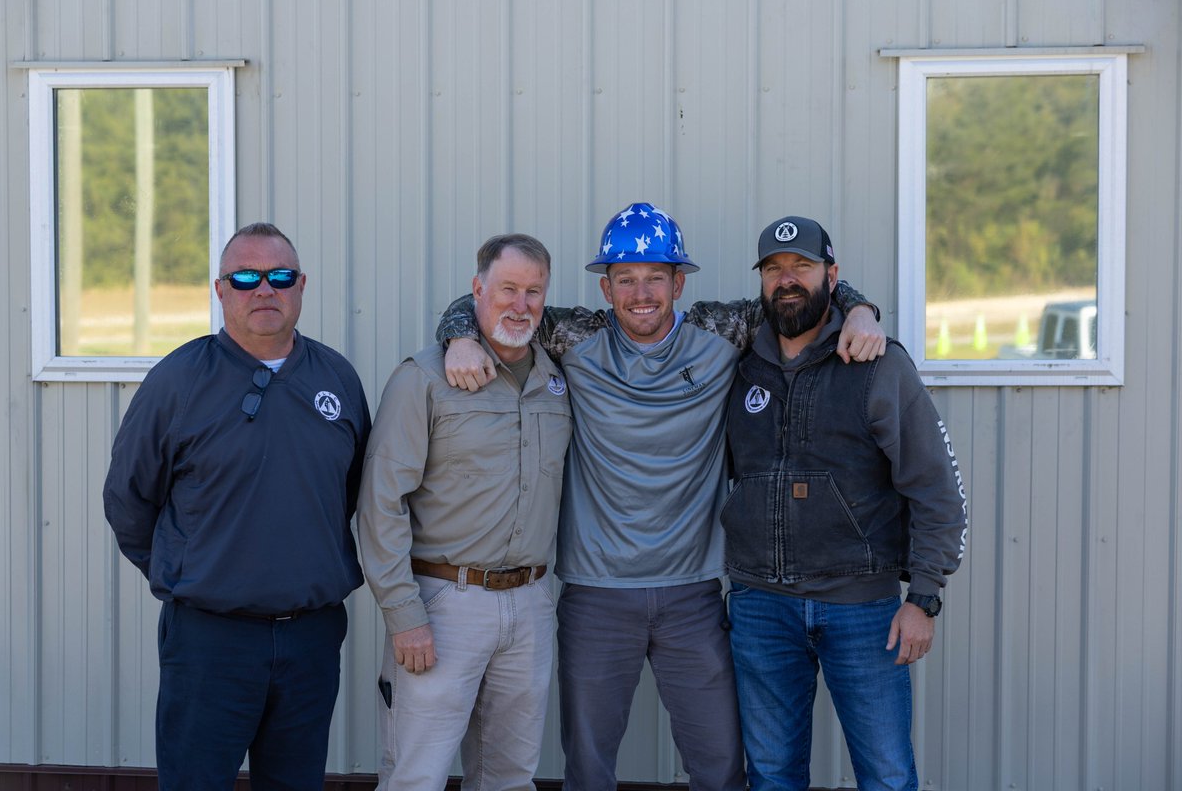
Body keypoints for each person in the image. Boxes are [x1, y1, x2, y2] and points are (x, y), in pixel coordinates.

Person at [435, 203, 886, 791]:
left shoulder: (721, 332)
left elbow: (797, 294)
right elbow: (486, 307)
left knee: (721, 765)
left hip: (693, 594)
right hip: (596, 595)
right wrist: (459, 339)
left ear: (679, 281)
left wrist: (860, 308)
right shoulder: (575, 337)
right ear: (607, 286)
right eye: (625, 278)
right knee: (589, 769)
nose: (641, 292)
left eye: (656, 277)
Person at [103, 222, 372, 789]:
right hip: (209, 640)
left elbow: (349, 491)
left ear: (301, 286)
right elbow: (128, 499)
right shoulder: (177, 381)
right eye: (245, 277)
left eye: (280, 276)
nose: (264, 290)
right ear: (221, 289)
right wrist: (185, 569)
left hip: (311, 639)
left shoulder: (337, 379)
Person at [721, 215, 970, 791]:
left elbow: (936, 487)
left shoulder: (878, 364)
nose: (787, 280)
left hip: (863, 611)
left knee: (884, 774)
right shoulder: (735, 360)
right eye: (774, 269)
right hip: (761, 606)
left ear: (832, 276)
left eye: (802, 267)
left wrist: (924, 599)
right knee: (772, 775)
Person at [356, 234, 573, 790]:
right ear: (476, 290)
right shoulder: (425, 378)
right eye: (507, 289)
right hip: (444, 605)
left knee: (510, 779)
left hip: (529, 606)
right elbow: (381, 502)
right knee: (415, 777)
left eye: (533, 292)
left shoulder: (558, 380)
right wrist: (404, 616)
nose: (520, 305)